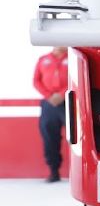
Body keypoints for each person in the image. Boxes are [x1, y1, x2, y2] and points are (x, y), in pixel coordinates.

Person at [32, 46, 68, 182]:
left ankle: (79, 173)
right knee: (49, 136)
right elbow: (36, 81)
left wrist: (62, 94)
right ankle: (54, 171)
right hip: (49, 104)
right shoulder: (43, 59)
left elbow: (76, 77)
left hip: (68, 102)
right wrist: (49, 96)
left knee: (76, 137)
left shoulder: (72, 58)